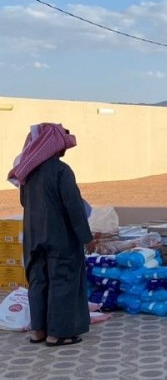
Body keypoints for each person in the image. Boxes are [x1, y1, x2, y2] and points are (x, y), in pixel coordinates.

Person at [7, 123, 93, 347]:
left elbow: (25, 202)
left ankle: (38, 331)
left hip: (34, 237)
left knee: (38, 281)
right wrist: (86, 236)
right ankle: (59, 334)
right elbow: (73, 207)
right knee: (62, 280)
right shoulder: (61, 170)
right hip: (60, 237)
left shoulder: (27, 171)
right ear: (53, 147)